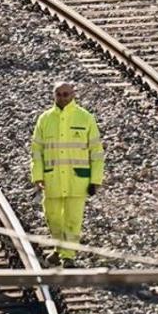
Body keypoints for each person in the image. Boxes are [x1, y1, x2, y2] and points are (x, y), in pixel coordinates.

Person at [30, 83, 105, 267]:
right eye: (59, 94)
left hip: (77, 179)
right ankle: (59, 249)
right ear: (54, 95)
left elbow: (96, 151)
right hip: (52, 179)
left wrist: (95, 179)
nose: (63, 97)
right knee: (53, 217)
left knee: (73, 219)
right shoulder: (45, 119)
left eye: (66, 94)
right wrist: (37, 176)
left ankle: (68, 256)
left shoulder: (85, 118)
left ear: (73, 94)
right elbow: (36, 151)